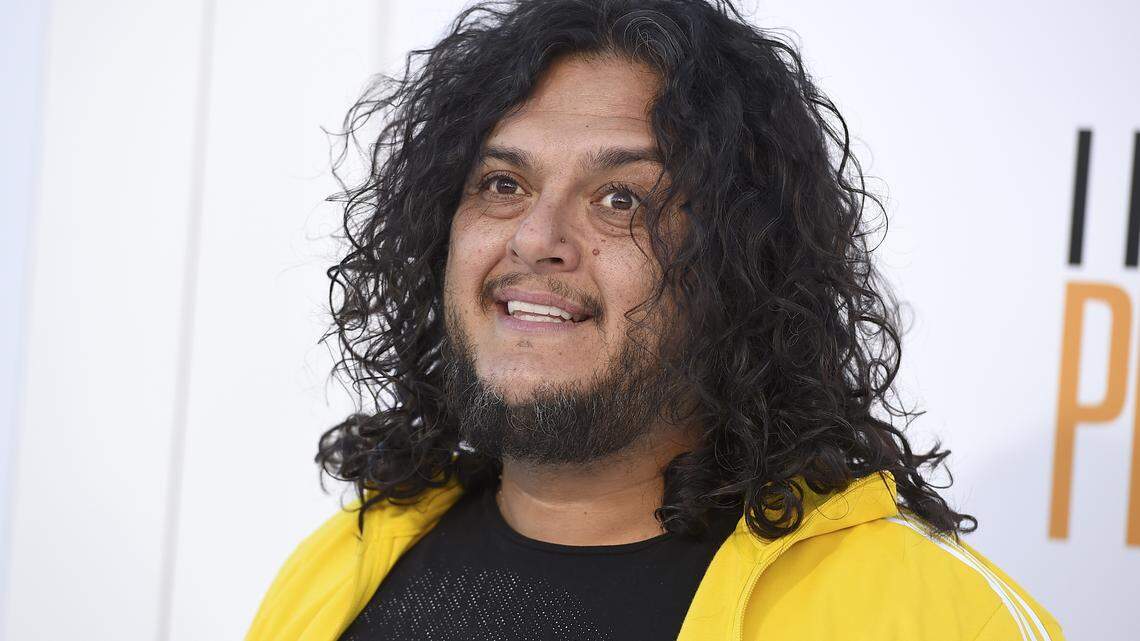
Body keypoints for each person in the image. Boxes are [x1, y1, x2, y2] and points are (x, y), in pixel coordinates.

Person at [247, 1, 1063, 639]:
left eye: (621, 198)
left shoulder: (936, 619)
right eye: (503, 183)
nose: (535, 237)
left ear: (741, 269)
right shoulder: (338, 569)